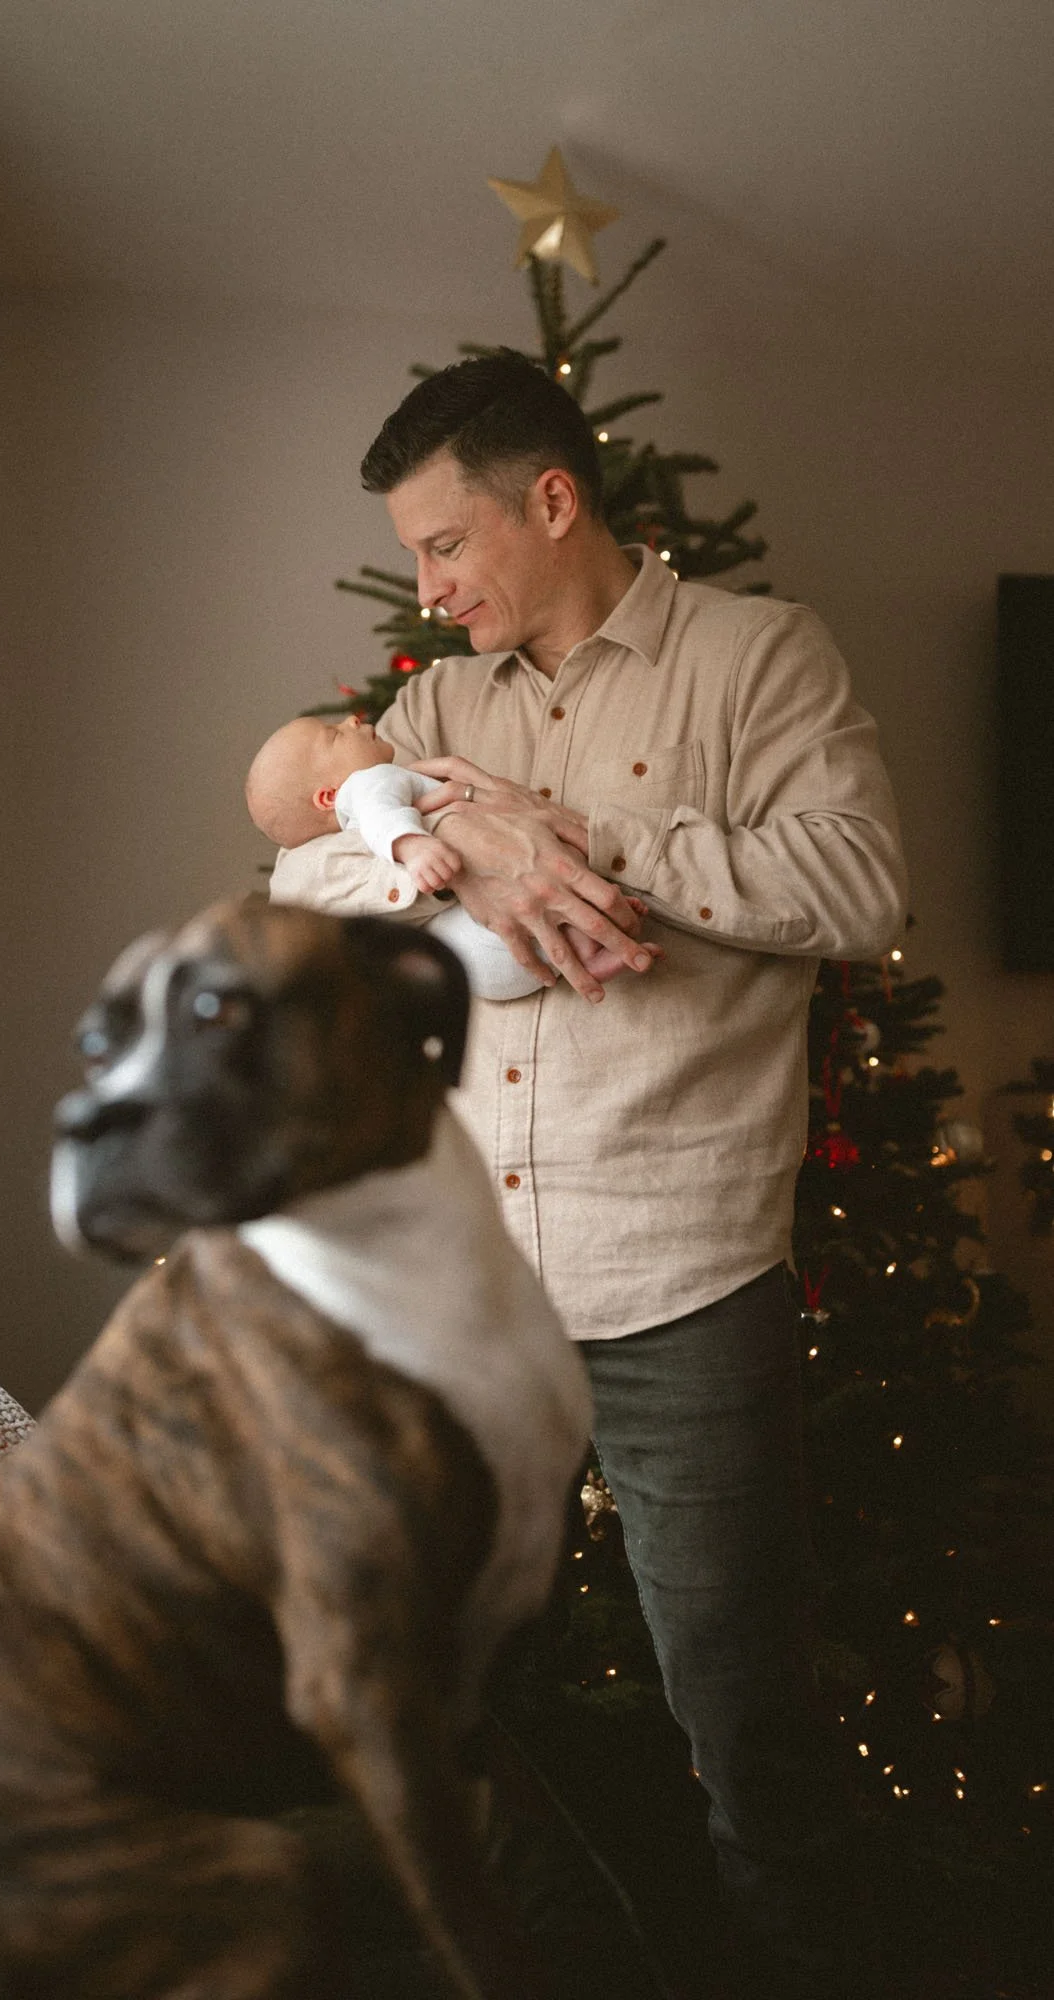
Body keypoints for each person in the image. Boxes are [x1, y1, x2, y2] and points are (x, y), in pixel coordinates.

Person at [268, 350, 907, 1996]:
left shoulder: (755, 659)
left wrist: (579, 834)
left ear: (547, 502)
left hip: (682, 1276)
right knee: (439, 1693)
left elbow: (850, 883)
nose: (425, 587)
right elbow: (305, 862)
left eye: (440, 546)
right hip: (471, 1295)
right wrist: (451, 841)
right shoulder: (438, 708)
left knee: (745, 1716)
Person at [246, 709, 653, 1000]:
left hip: (479, 966)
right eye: (334, 734)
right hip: (488, 938)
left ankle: (588, 955)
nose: (351, 719)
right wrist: (416, 845)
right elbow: (382, 815)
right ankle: (592, 937)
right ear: (329, 796)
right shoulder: (368, 784)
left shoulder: (352, 830)